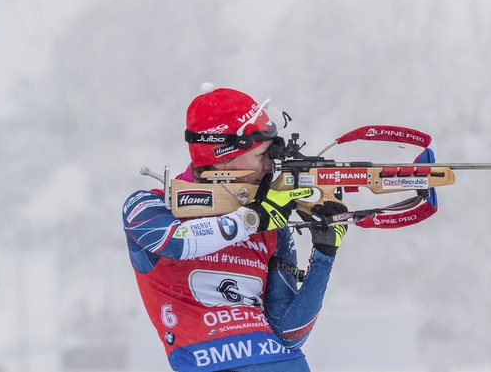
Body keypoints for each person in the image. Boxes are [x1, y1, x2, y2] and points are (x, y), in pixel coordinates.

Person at [123, 85, 346, 372]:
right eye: (263, 154)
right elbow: (179, 242)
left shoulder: (271, 227)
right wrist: (251, 219)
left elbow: (290, 335)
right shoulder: (148, 207)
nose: (270, 166)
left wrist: (325, 254)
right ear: (224, 157)